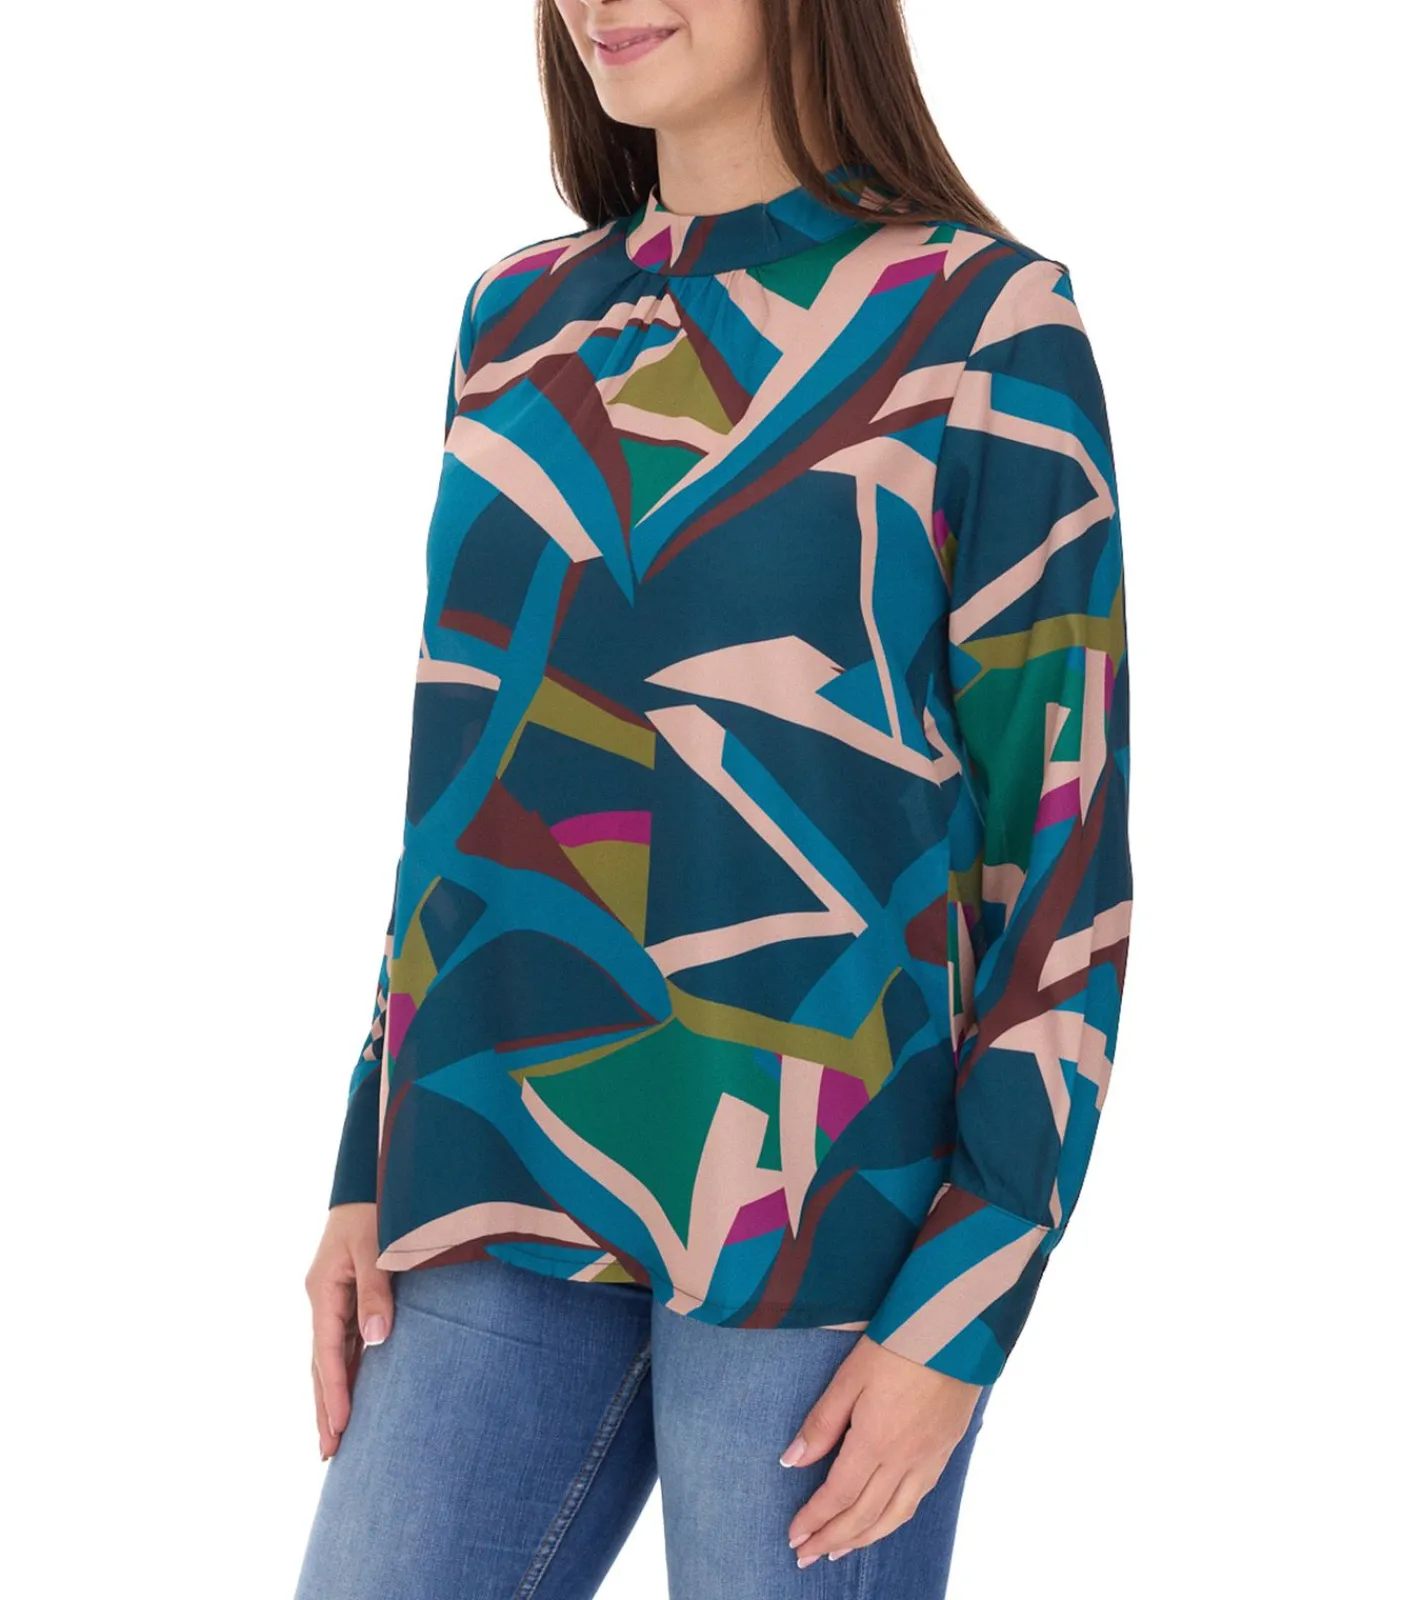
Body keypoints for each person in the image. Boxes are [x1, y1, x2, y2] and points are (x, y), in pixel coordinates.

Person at [295, 2, 1133, 1596]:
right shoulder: (515, 321)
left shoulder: (979, 321)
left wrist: (966, 1297)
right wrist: (365, 1157)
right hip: (492, 1151)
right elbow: (468, 786)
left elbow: (1061, 848)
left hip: (824, 1203)